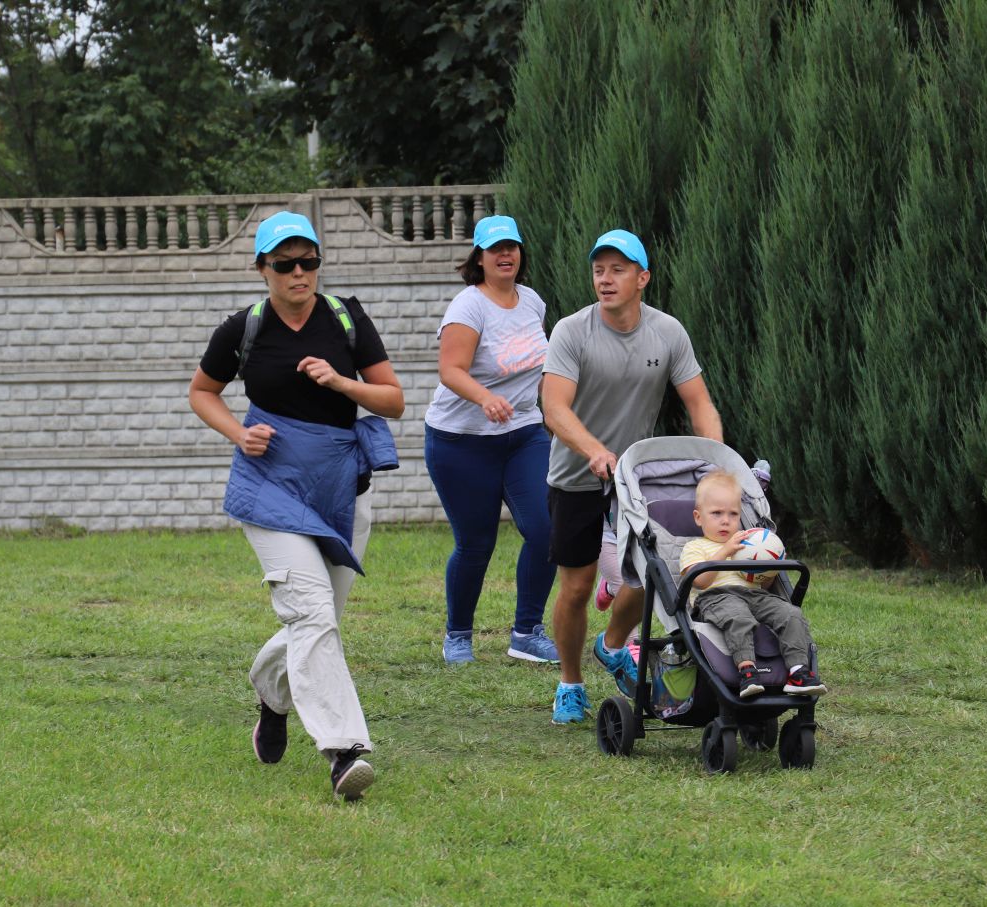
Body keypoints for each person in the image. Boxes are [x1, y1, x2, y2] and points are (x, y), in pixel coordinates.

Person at [188, 210, 405, 801]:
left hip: (340, 489)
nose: (299, 272)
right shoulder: (243, 329)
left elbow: (393, 401)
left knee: (320, 620)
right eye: (285, 264)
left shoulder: (345, 319)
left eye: (309, 261)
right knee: (312, 616)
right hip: (270, 490)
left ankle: (271, 692)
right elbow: (202, 392)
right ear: (263, 269)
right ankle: (345, 750)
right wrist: (238, 433)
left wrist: (341, 383)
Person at [541, 229, 724, 724]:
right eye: (599, 270)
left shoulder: (668, 333)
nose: (605, 279)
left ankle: (614, 643)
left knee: (651, 576)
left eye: (618, 269)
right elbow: (553, 407)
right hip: (576, 474)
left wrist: (718, 460)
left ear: (642, 278)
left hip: (634, 479)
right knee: (577, 588)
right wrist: (594, 450)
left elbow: (699, 402)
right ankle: (570, 683)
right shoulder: (571, 331)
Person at [424, 216, 558, 665]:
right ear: (478, 258)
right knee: (476, 544)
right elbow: (450, 370)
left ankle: (526, 632)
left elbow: (541, 365)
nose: (505, 255)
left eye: (512, 247)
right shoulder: (469, 307)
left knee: (546, 530)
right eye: (495, 248)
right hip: (461, 440)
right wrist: (485, 398)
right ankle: (458, 634)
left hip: (523, 433)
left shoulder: (533, 302)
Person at [679, 471, 826, 698]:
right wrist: (726, 550)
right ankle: (747, 670)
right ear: (699, 517)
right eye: (716, 513)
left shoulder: (750, 544)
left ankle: (798, 671)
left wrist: (769, 567)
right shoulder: (695, 547)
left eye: (733, 514)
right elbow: (699, 581)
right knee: (739, 617)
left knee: (791, 613)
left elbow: (763, 585)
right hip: (716, 597)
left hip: (755, 597)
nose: (726, 520)